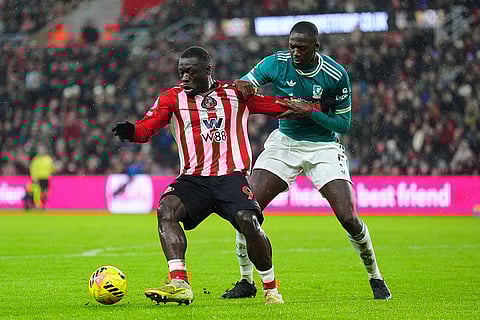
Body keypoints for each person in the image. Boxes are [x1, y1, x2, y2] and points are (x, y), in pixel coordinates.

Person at [221, 21, 392, 300]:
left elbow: (344, 123)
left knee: (348, 217)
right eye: (292, 46)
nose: (295, 52)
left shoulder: (335, 74)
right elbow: (245, 84)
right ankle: (246, 281)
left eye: (301, 47)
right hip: (285, 144)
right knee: (246, 209)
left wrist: (309, 112)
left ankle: (376, 277)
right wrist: (244, 87)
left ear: (316, 47)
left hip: (323, 146)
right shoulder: (275, 63)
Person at [112, 46, 294, 305]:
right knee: (166, 210)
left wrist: (315, 107)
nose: (184, 77)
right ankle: (179, 282)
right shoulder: (172, 98)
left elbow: (277, 106)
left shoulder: (235, 94)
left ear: (207, 70)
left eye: (190, 72)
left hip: (230, 177)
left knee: (248, 221)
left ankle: (271, 288)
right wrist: (130, 131)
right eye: (181, 72)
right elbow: (145, 129)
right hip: (194, 179)